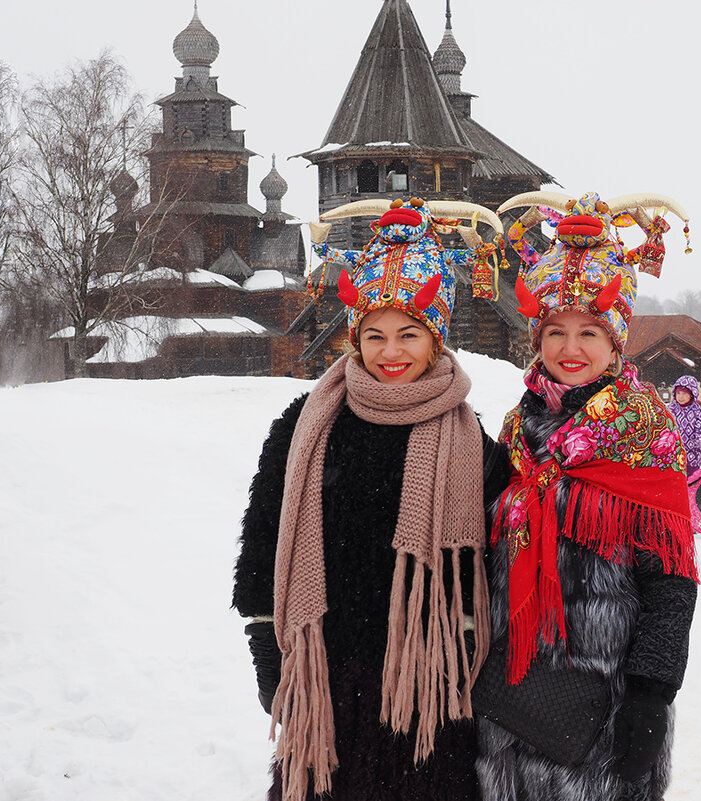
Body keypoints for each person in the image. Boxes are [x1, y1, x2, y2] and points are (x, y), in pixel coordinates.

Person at [231, 196, 510, 801]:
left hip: (427, 691)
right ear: (354, 337)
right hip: (325, 679)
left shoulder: (473, 445)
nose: (391, 353)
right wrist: (264, 650)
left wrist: (459, 655)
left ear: (436, 340)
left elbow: (485, 568)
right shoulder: (305, 425)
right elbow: (262, 540)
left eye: (410, 334)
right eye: (375, 335)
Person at [481, 191, 698, 801]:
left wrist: (652, 694)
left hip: (605, 706)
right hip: (510, 691)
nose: (569, 349)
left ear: (616, 341)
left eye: (587, 332)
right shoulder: (517, 428)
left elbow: (673, 581)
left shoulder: (645, 430)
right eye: (554, 331)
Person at [669, 374, 701, 476]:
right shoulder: (670, 410)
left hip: (692, 458)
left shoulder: (698, 412)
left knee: (690, 485)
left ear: (692, 394)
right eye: (678, 393)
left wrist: (700, 440)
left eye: (684, 393)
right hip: (671, 458)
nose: (680, 397)